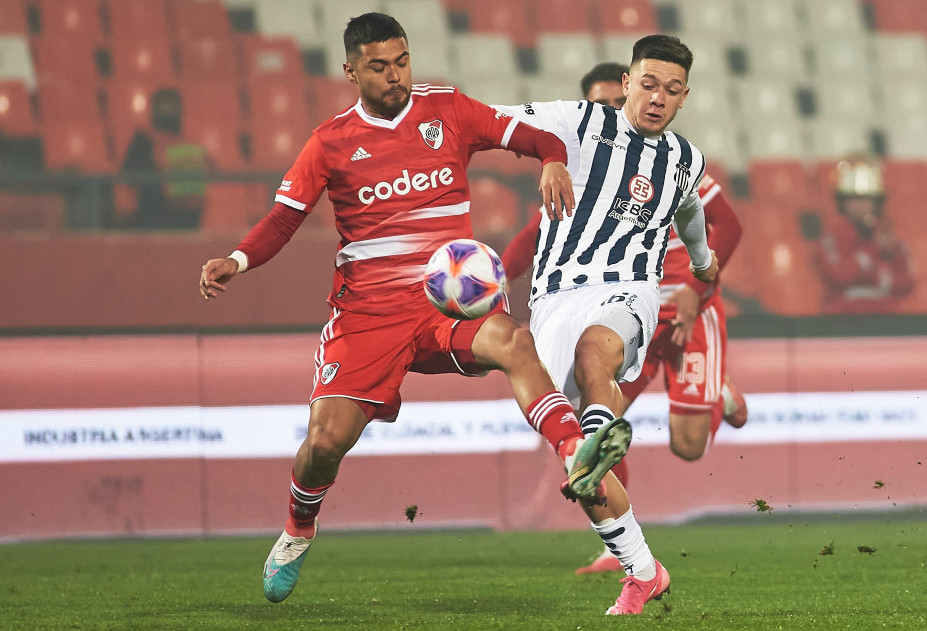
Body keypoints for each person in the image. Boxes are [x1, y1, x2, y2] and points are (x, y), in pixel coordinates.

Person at [197, 13, 632, 609]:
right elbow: (284, 218)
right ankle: (299, 525)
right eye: (379, 66)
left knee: (515, 342)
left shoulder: (447, 109)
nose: (396, 75)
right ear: (350, 70)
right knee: (325, 443)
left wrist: (554, 159)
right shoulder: (329, 142)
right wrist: (238, 260)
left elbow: (532, 136)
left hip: (444, 302)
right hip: (368, 314)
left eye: (402, 61)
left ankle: (572, 450)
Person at [491, 35, 719, 614]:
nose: (657, 99)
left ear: (684, 96)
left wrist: (700, 261)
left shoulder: (685, 158)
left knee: (599, 353)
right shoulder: (579, 123)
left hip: (629, 291)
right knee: (577, 462)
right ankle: (643, 572)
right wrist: (425, 112)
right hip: (553, 300)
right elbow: (495, 121)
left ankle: (596, 438)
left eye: (671, 90)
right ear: (627, 83)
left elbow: (690, 212)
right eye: (648, 84)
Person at [812, 154, 915, 314]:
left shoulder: (889, 238)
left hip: (885, 318)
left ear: (876, 203)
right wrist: (872, 252)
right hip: (844, 319)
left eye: (867, 200)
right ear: (843, 203)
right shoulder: (833, 239)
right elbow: (840, 275)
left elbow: (907, 282)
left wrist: (871, 274)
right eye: (854, 200)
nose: (861, 205)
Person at [117, 87, 211, 229]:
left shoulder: (143, 140)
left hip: (173, 219)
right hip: (165, 219)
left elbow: (127, 176)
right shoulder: (144, 141)